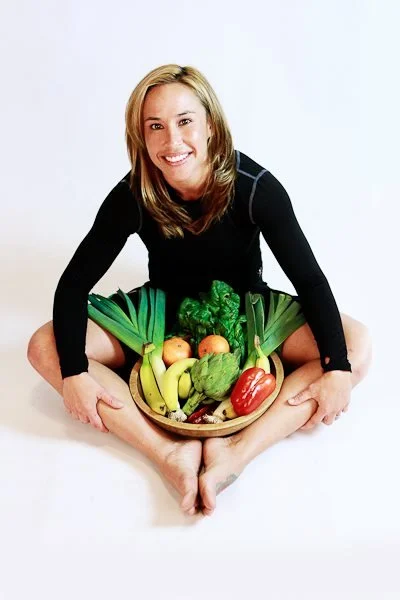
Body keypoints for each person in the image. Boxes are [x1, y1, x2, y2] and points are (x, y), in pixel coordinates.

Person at [27, 64, 372, 517]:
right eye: (156, 126)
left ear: (210, 125)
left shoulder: (255, 189)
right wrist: (73, 373)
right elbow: (73, 284)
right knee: (43, 347)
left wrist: (338, 369)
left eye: (185, 121)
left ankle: (237, 450)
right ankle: (168, 452)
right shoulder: (135, 194)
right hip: (161, 320)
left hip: (245, 314)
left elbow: (309, 279)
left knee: (356, 346)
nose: (172, 141)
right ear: (141, 137)